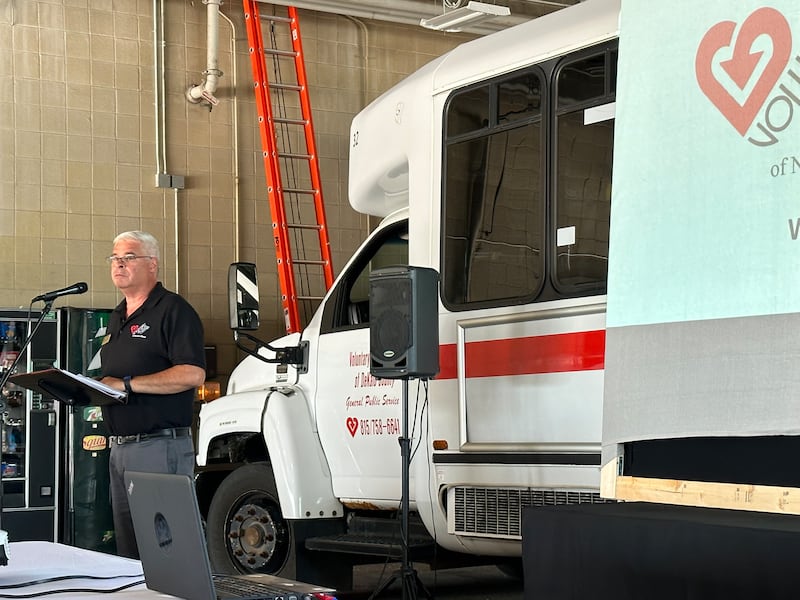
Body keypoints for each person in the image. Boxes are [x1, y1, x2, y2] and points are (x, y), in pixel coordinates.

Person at [99, 231, 206, 559]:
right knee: (131, 553)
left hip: (158, 448)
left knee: (166, 550)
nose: (119, 264)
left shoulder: (173, 310)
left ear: (152, 265)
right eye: (115, 258)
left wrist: (126, 384)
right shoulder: (117, 316)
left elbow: (192, 374)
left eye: (129, 257)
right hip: (120, 450)